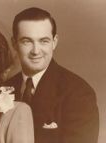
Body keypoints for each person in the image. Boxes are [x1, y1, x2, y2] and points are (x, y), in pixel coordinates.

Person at [5, 7, 99, 143]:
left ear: (54, 42)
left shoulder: (79, 93)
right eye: (27, 41)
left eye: (44, 41)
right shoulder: (4, 88)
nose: (36, 51)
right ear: (14, 44)